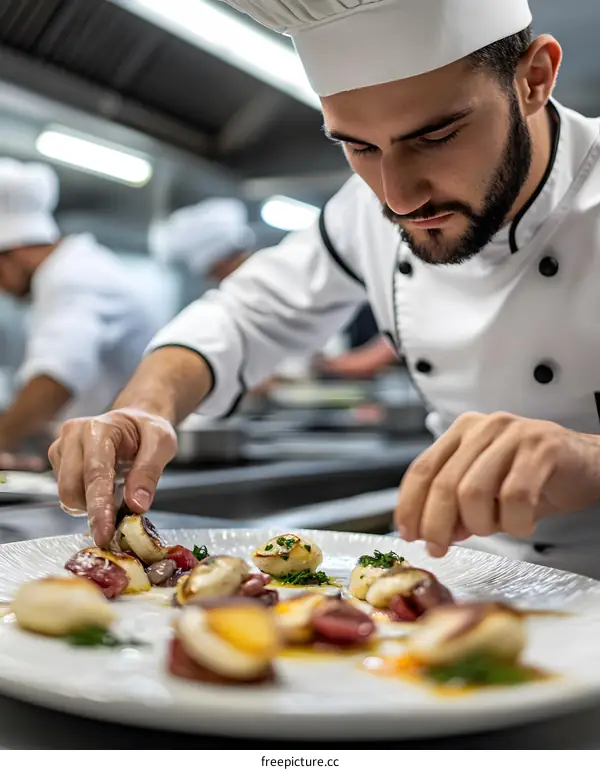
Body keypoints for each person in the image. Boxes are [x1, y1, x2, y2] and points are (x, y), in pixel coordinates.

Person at [49, 0, 600, 578]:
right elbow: (242, 317)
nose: (399, 198)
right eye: (359, 147)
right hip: (459, 576)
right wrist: (144, 409)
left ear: (534, 78)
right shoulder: (363, 213)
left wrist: (588, 459)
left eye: (437, 136)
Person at [0, 159, 160, 467]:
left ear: (14, 253)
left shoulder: (73, 278)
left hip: (135, 459)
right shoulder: (67, 271)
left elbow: (55, 378)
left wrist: (4, 435)